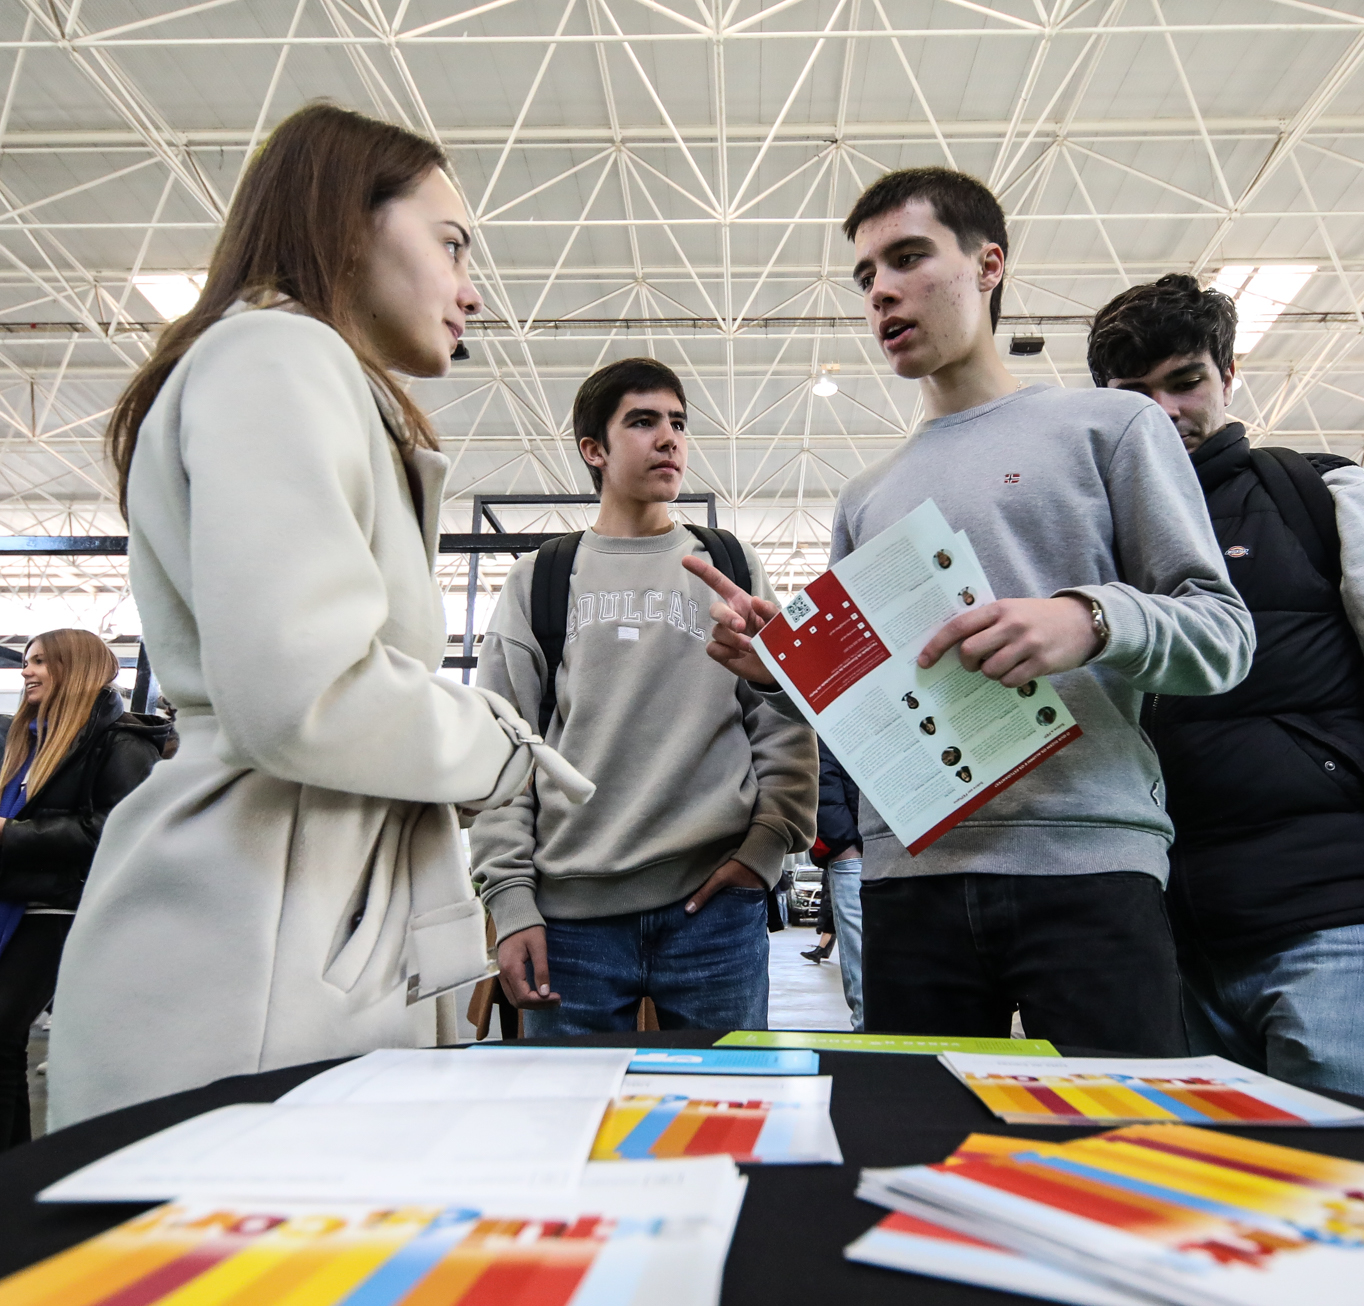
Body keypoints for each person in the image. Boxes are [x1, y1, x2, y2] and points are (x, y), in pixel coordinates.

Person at [47, 104, 565, 1129]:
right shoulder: (277, 355)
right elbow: (307, 690)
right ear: (347, 222)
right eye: (451, 243)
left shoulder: (286, 368)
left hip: (280, 924)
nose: (471, 289)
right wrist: (501, 744)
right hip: (254, 949)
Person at [687, 168, 1254, 1052]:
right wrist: (786, 673)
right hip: (910, 878)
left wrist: (1089, 620)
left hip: (1090, 862)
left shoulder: (1109, 428)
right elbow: (870, 705)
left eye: (909, 258)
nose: (882, 290)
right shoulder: (867, 497)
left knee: (1122, 1161)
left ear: (989, 264)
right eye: (867, 275)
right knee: (924, 1154)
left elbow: (1223, 633)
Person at [1087, 273, 1364, 1113]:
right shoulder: (1096, 547)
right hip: (1168, 950)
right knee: (1210, 1223)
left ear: (1227, 375)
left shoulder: (1325, 498)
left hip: (1339, 935)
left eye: (1185, 381)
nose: (1165, 411)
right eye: (1135, 395)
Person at [471, 357, 816, 1034]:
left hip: (716, 913)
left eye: (679, 422)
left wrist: (767, 847)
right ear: (593, 450)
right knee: (572, 1128)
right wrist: (511, 901)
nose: (669, 438)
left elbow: (783, 725)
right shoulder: (540, 579)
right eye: (643, 421)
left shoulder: (731, 566)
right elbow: (502, 754)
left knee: (724, 1124)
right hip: (571, 924)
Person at [0, 631, 168, 1147]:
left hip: (58, 908)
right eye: (28, 662)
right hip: (18, 901)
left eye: (42, 663)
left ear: (77, 668)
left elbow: (116, 831)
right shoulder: (32, 740)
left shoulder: (120, 742)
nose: (28, 672)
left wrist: (13, 835)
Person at [811, 740, 864, 1031]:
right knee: (868, 986)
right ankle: (873, 1051)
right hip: (853, 851)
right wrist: (844, 845)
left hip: (908, 848)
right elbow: (820, 765)